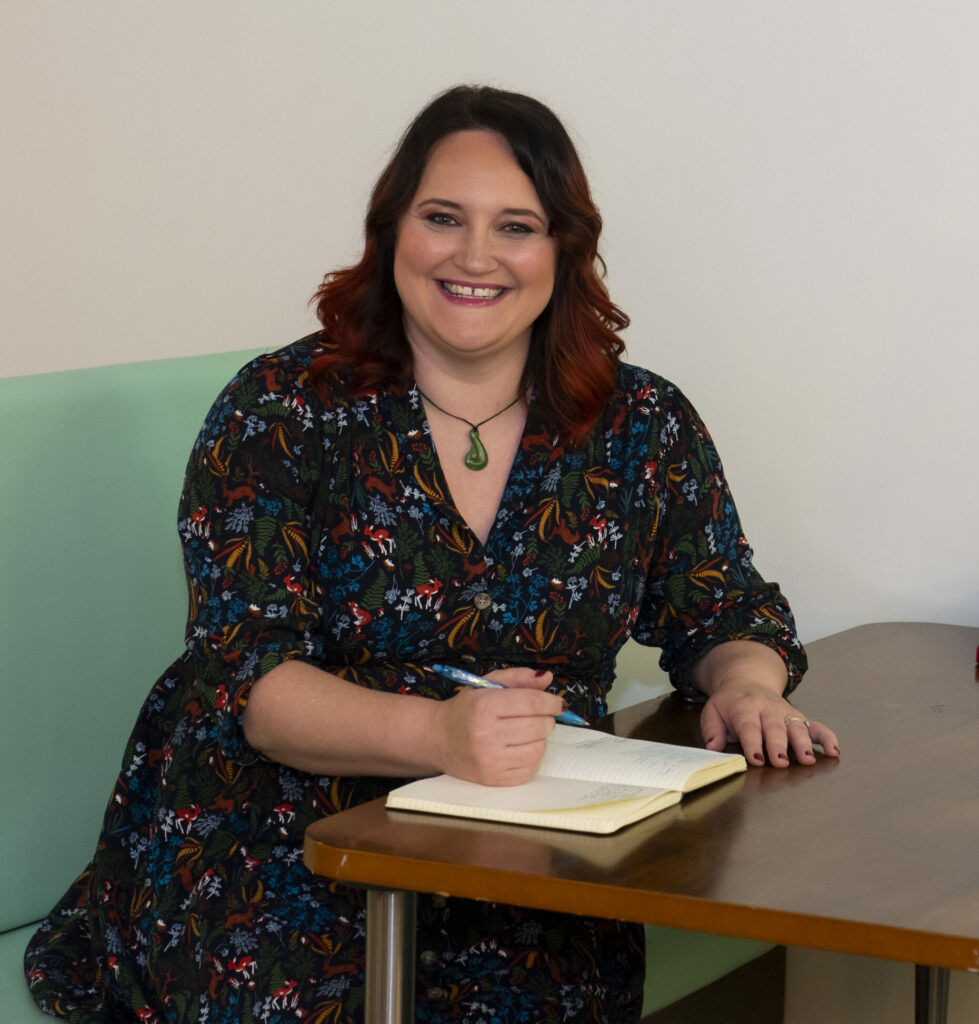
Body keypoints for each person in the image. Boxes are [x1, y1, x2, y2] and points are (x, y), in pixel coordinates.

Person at [25, 84, 839, 1023]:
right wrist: (437, 735)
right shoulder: (281, 409)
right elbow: (251, 682)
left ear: (564, 248)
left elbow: (722, 609)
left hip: (526, 845)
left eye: (517, 226)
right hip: (285, 841)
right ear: (392, 231)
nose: (475, 256)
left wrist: (746, 684)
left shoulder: (640, 423)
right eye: (442, 217)